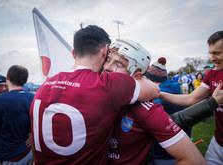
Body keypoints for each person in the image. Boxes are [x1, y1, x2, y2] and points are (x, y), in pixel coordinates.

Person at [30, 25, 160, 164]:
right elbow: (155, 90)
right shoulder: (107, 85)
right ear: (105, 51)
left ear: (74, 53)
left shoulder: (44, 86)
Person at [104, 39, 205, 165]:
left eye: (119, 64)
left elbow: (195, 161)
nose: (107, 68)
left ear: (137, 76)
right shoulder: (94, 93)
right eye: (108, 60)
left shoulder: (144, 109)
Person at [160, 30, 223, 165]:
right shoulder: (212, 73)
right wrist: (159, 93)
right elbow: (191, 99)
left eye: (217, 53)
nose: (212, 58)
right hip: (218, 142)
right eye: (211, 53)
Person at [144, 57, 192, 165]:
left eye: (146, 79)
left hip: (161, 154)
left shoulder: (156, 100)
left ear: (152, 80)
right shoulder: (179, 94)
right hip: (183, 151)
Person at [0, 65, 34, 164]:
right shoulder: (34, 98)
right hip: (26, 153)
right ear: (25, 81)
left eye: (4, 85)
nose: (3, 89)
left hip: (7, 156)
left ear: (8, 78)